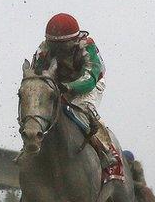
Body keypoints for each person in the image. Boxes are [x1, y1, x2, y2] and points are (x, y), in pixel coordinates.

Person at [31, 13, 112, 163]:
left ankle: (108, 152)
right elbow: (35, 77)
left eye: (62, 46)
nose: (58, 50)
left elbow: (90, 77)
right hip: (59, 84)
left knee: (82, 109)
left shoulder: (87, 47)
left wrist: (68, 87)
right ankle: (31, 143)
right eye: (54, 45)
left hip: (90, 83)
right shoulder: (43, 50)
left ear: (73, 41)